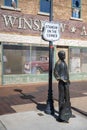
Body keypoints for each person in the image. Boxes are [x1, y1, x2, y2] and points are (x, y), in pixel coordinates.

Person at [54, 50, 72, 123]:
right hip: (62, 83)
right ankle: (60, 115)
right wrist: (61, 79)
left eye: (64, 55)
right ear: (60, 56)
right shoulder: (58, 63)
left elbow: (66, 72)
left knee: (67, 97)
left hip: (66, 82)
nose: (64, 56)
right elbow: (55, 73)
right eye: (63, 55)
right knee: (61, 98)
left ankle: (67, 112)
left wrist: (68, 79)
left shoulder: (64, 62)